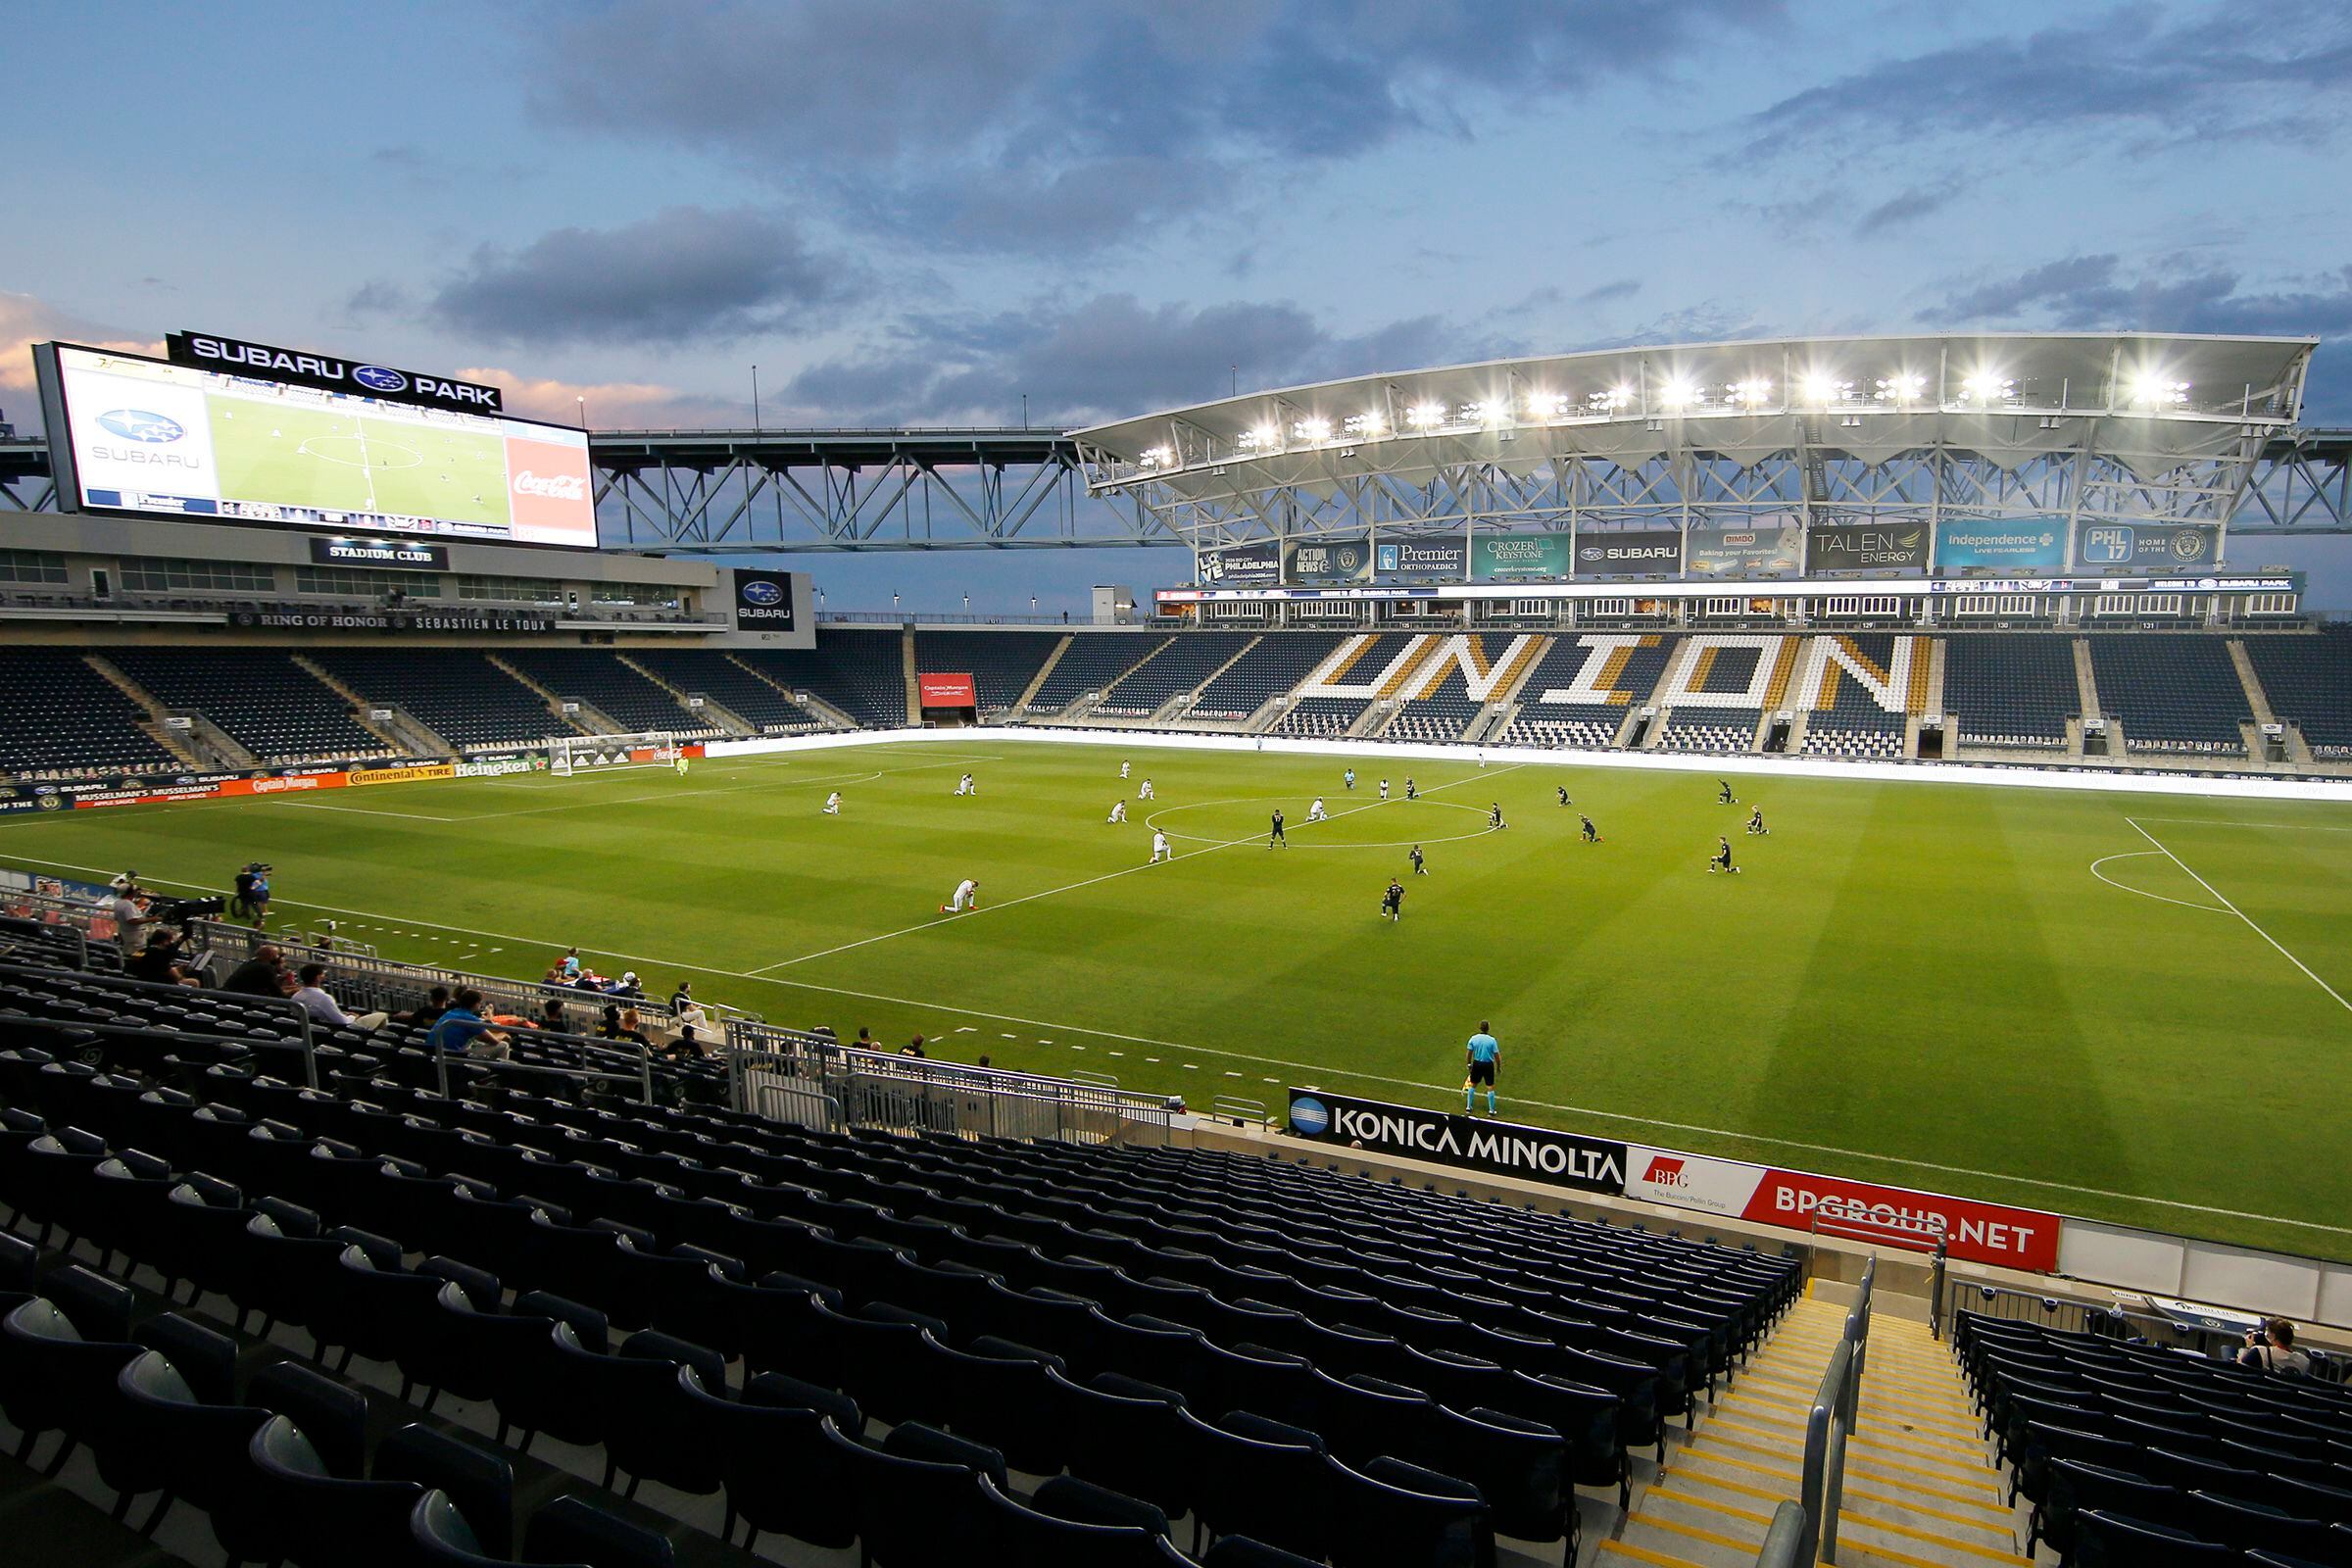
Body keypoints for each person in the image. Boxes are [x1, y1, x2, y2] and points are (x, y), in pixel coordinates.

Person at [291, 963, 386, 1031]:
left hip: (315, 1029)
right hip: (342, 1029)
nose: (324, 976)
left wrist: (344, 1014)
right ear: (318, 978)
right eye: (322, 974)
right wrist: (352, 1017)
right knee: (382, 1015)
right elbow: (343, 1021)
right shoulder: (324, 998)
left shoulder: (296, 997)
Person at [428, 988, 509, 1060]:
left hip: (433, 1052)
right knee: (503, 1045)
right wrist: (503, 1035)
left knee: (476, 1043)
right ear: (476, 1004)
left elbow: (480, 1036)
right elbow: (494, 1042)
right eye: (480, 1003)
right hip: (452, 1056)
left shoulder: (451, 1012)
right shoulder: (471, 1019)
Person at [2240, 1318, 2312, 1376]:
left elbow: (2240, 1367)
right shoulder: (2305, 1362)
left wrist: (2247, 1347)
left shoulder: (2259, 1352)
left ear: (2273, 1336)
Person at [128, 929, 199, 987]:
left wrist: (177, 969)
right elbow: (174, 976)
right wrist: (182, 978)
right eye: (171, 941)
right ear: (165, 941)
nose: (172, 943)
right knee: (194, 982)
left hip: (139, 981)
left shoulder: (140, 952)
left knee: (179, 969)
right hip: (158, 986)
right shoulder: (160, 954)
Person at [221, 942, 290, 997]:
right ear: (270, 956)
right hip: (242, 1001)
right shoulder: (266, 968)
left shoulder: (250, 963)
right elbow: (277, 994)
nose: (278, 957)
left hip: (232, 997)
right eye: (277, 955)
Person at [1464, 1023, 1500, 1116]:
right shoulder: (1492, 1040)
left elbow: (1469, 1053)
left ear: (1480, 1028)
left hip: (1477, 1064)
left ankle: (1468, 1107)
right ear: (1488, 1028)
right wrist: (1498, 1067)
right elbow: (1497, 1056)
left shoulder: (1474, 1038)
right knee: (1490, 1087)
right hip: (1488, 1065)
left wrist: (1469, 1064)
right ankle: (1491, 1110)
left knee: (1473, 1085)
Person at [110, 883, 149, 956]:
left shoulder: (118, 903)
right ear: (130, 892)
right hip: (134, 937)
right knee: (136, 956)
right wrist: (152, 919)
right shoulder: (128, 905)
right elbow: (132, 921)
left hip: (126, 934)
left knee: (128, 953)